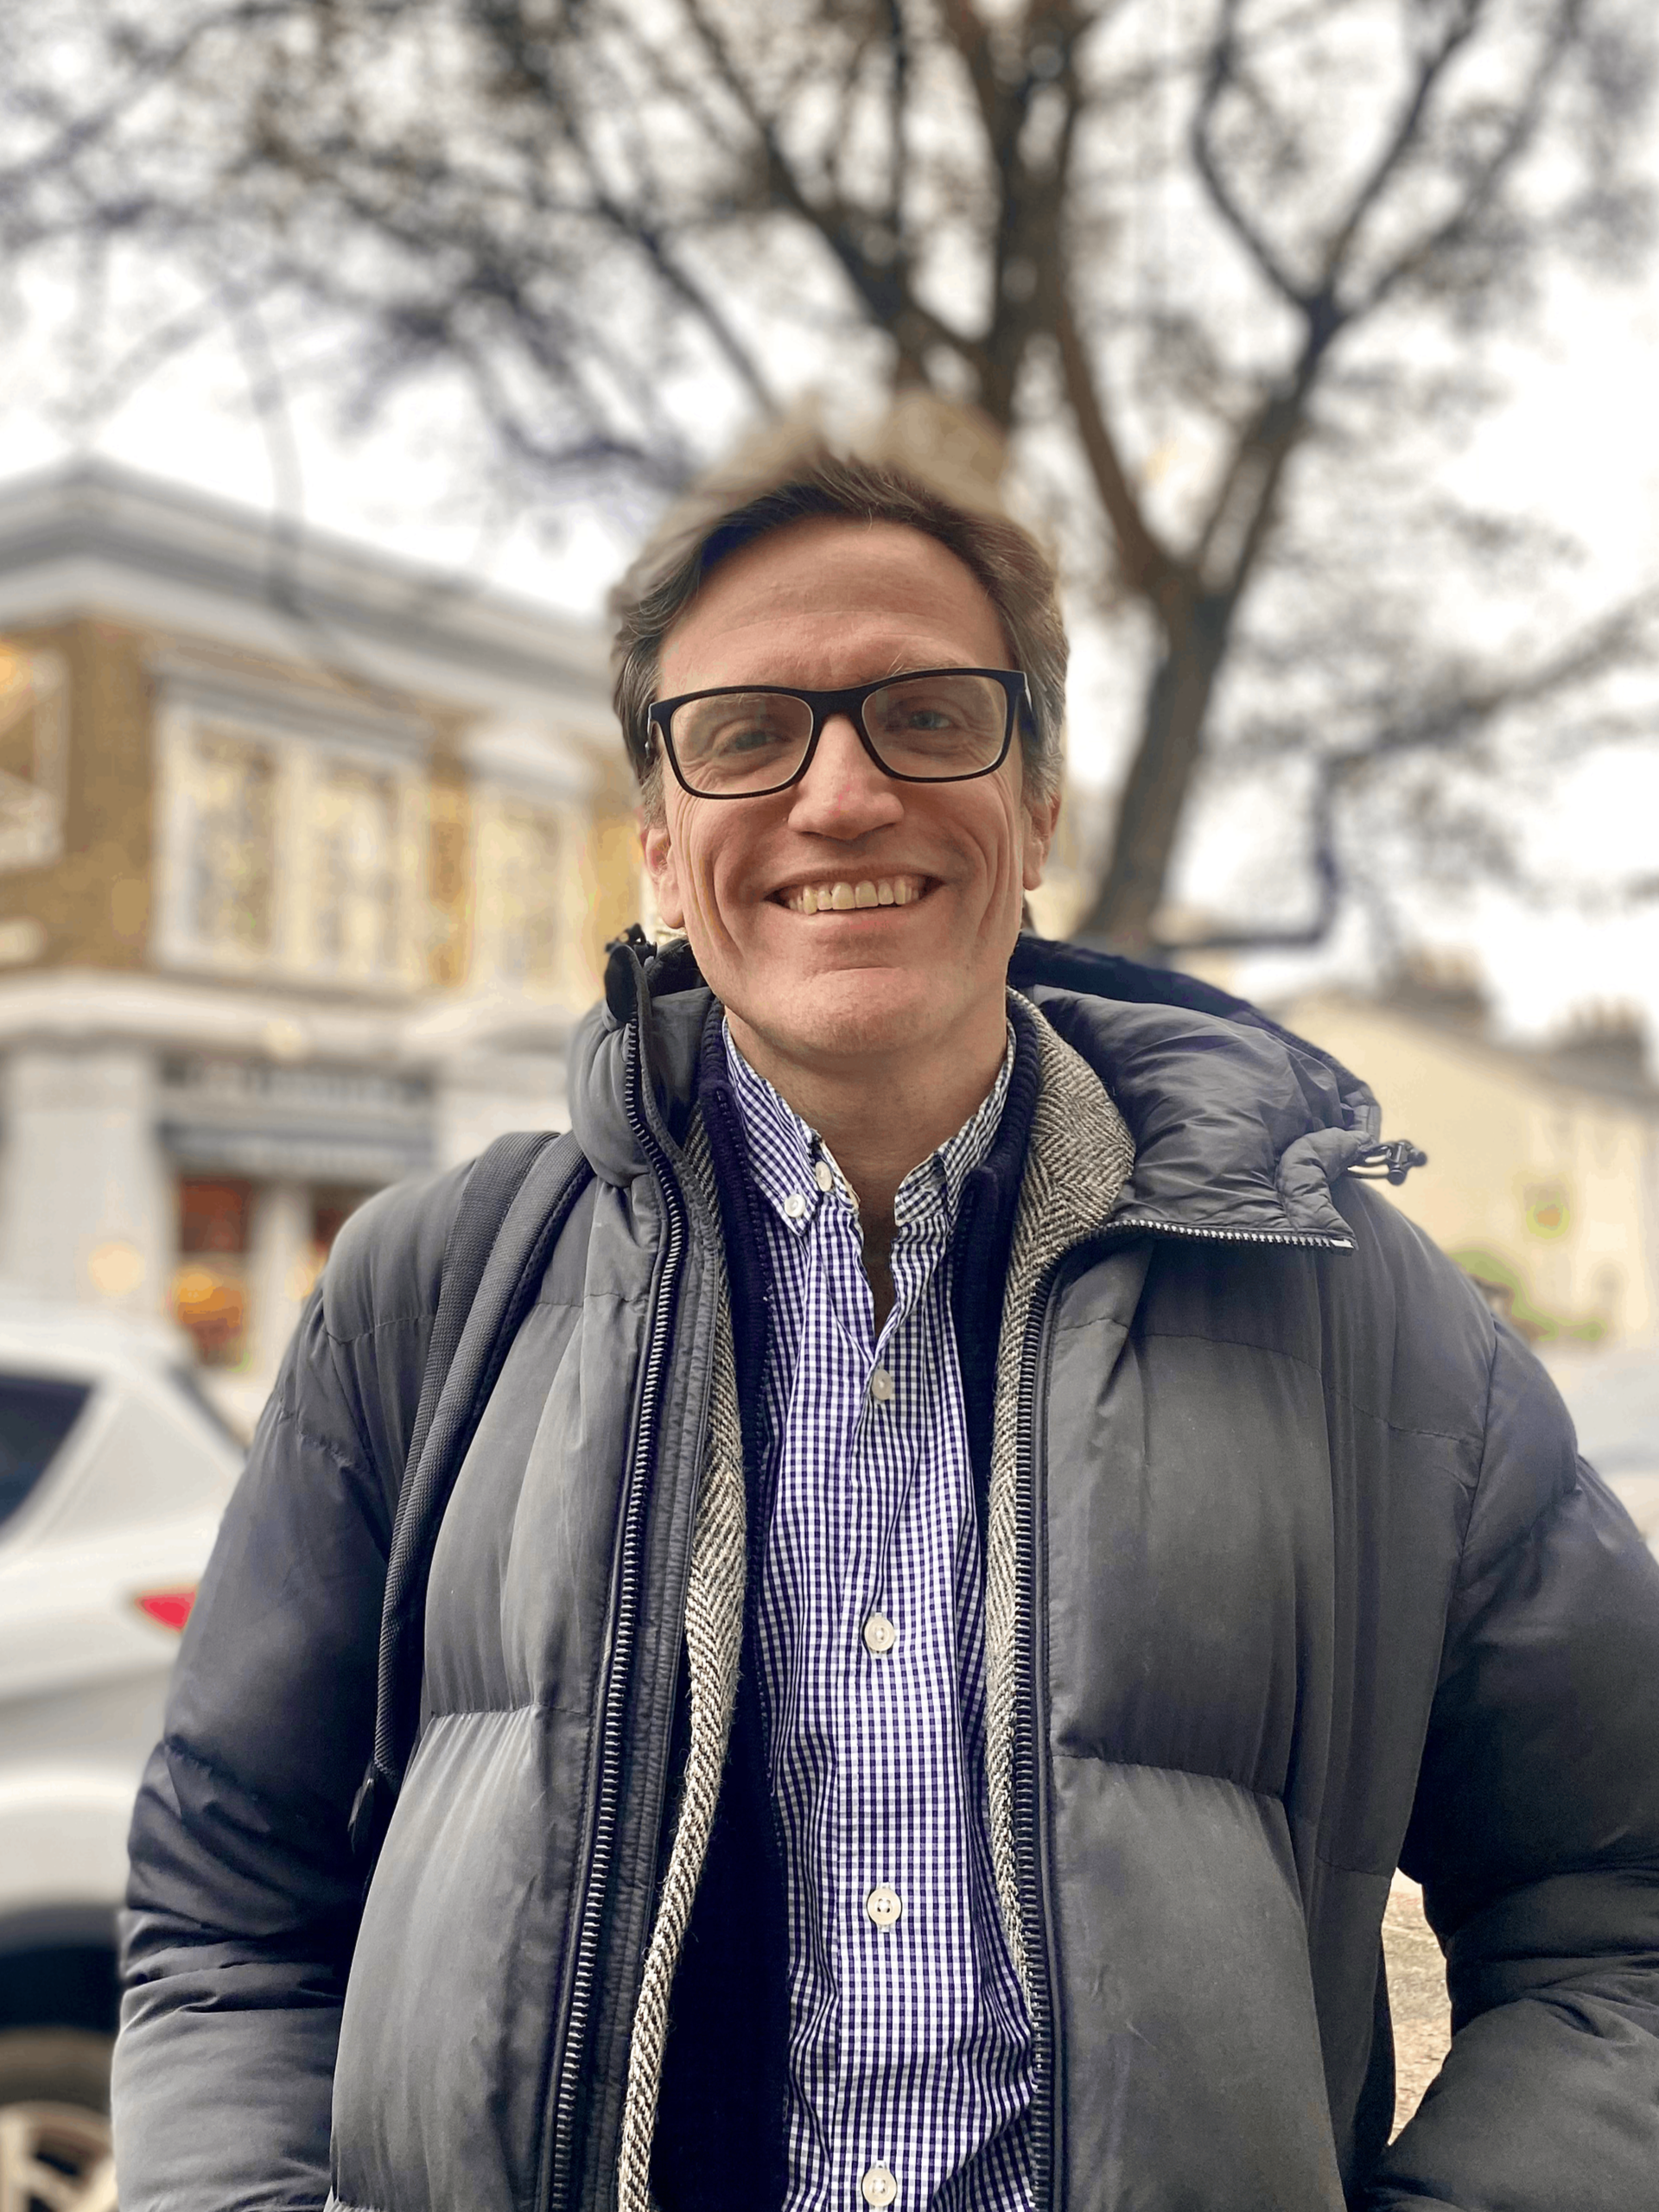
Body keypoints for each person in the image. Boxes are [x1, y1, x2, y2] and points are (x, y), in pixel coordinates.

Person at [112, 448, 1659, 2212]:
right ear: (660, 840)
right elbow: (230, 1918)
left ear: (1042, 799)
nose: (840, 795)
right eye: (748, 732)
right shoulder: (427, 1293)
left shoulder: (1366, 1321)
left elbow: (1620, 1914)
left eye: (927, 714)